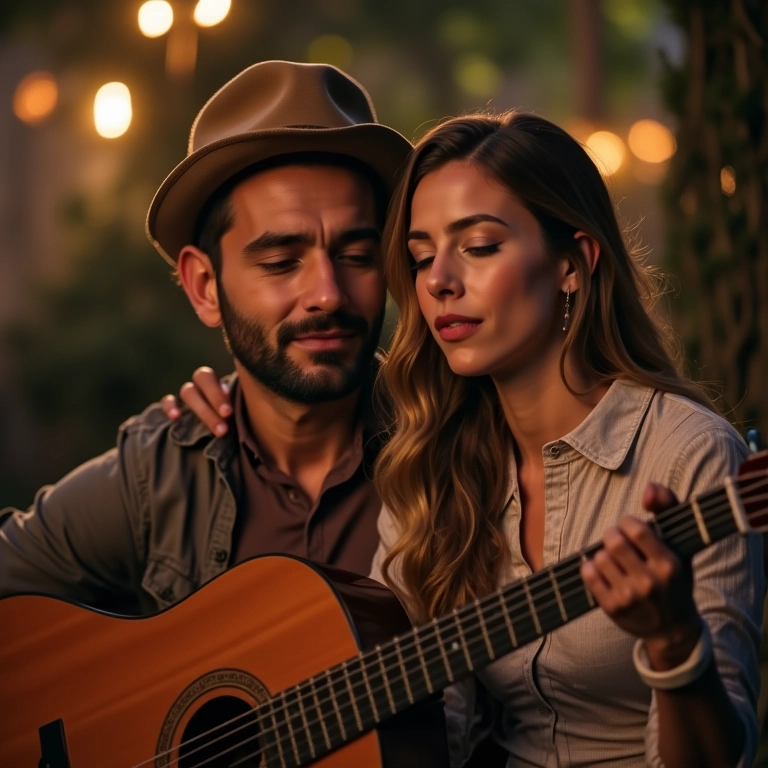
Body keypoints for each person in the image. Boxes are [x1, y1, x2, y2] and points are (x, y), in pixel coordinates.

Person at [173, 111, 764, 768]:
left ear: (573, 263)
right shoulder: (431, 457)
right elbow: (433, 728)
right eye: (422, 256)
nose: (438, 281)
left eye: (479, 247)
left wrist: (674, 642)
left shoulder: (688, 454)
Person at [0, 60, 413, 614]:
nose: (329, 294)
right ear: (204, 286)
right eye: (281, 261)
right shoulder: (158, 477)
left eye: (357, 256)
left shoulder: (456, 449)